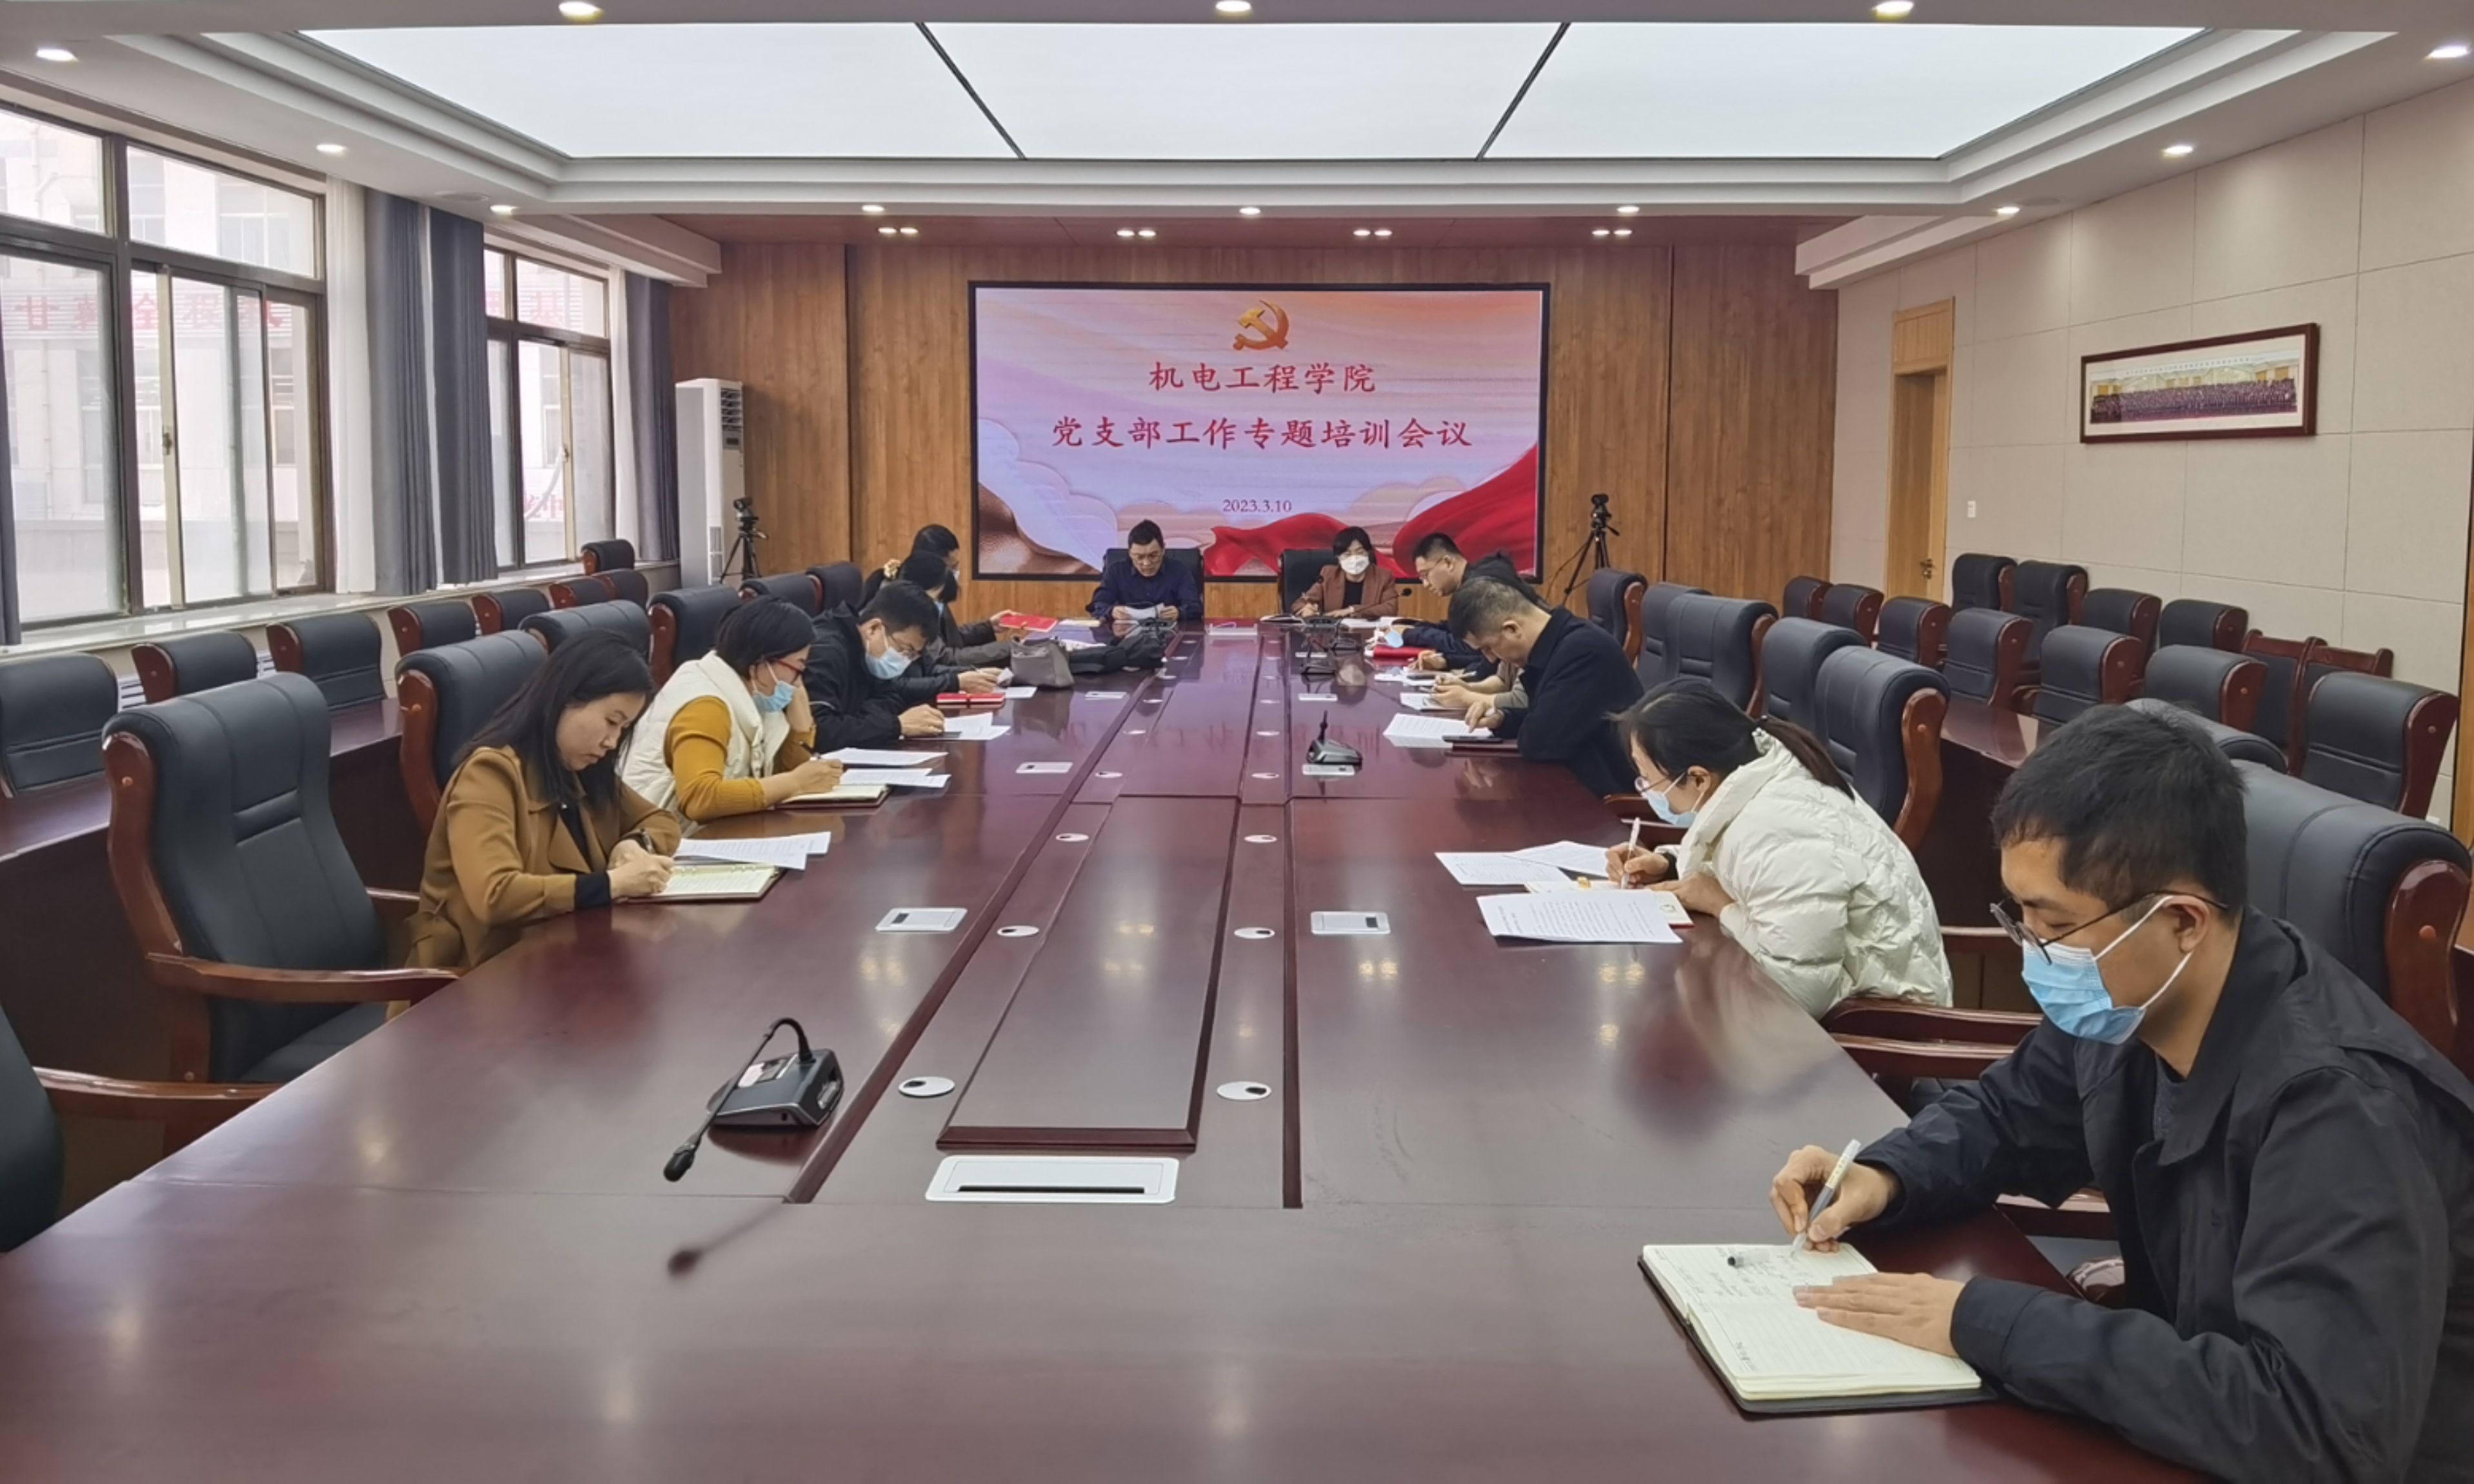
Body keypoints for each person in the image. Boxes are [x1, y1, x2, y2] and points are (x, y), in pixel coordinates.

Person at [1770, 706, 2474, 1479]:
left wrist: (1990, 1321)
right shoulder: (2134, 1003)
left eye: (2052, 924)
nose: (2033, 951)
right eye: (2019, 914)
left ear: (2182, 921)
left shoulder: (2340, 1108)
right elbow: (2006, 1117)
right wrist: (1886, 1175)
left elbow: (2315, 1432)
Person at [1603, 678, 1950, 1017]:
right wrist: (1668, 863)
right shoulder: (1767, 778)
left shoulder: (1777, 828)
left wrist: (1717, 903)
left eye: (1649, 780)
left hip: (1880, 1024)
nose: (1647, 791)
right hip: (1844, 996)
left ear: (1698, 778)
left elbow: (1794, 994)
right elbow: (1754, 872)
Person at [403, 631, 683, 971]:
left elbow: (660, 820)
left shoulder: (581, 768)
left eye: (623, 728)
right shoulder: (489, 775)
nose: (612, 741)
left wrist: (634, 844)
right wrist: (613, 884)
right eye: (611, 721)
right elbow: (496, 895)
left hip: (563, 958)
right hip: (480, 975)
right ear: (567, 698)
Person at [618, 597, 845, 824]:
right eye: (798, 668)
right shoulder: (706, 705)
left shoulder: (755, 692)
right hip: (662, 838)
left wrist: (800, 722)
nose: (798, 681)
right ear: (762, 662)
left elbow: (792, 775)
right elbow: (700, 798)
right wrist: (795, 783)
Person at [1446, 577, 1640, 796]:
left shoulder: (1583, 652)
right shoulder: (1560, 644)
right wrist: (1502, 718)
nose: (1491, 659)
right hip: (1573, 786)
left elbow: (1539, 743)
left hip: (1607, 800)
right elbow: (1547, 717)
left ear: (1512, 629)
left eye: (1488, 648)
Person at [807, 580, 951, 749]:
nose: (905, 661)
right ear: (874, 628)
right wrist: (895, 726)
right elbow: (817, 731)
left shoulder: (869, 651)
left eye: (912, 656)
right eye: (905, 650)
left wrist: (866, 719)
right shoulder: (825, 652)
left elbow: (892, 695)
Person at [894, 549, 1010, 669]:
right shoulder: (904, 624)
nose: (938, 605)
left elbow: (951, 636)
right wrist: (1007, 649)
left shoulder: (926, 610)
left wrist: (988, 626)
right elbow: (943, 659)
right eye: (953, 566)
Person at [1090, 519, 1202, 622]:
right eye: (1139, 557)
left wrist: (1179, 613)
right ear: (1130, 553)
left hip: (1170, 633)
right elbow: (1097, 606)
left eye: (1153, 556)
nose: (1146, 563)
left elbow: (1195, 607)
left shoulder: (1179, 571)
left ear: (1163, 550)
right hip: (1125, 634)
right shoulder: (1116, 571)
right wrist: (1111, 612)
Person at [1291, 526, 1401, 618]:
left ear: (1368, 553)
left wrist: (1351, 610)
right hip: (1333, 634)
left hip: (1370, 633)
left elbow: (1390, 609)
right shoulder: (1329, 574)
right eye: (1348, 554)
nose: (1354, 558)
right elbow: (1300, 603)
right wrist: (1306, 609)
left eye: (1360, 552)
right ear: (1339, 558)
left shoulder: (1383, 576)